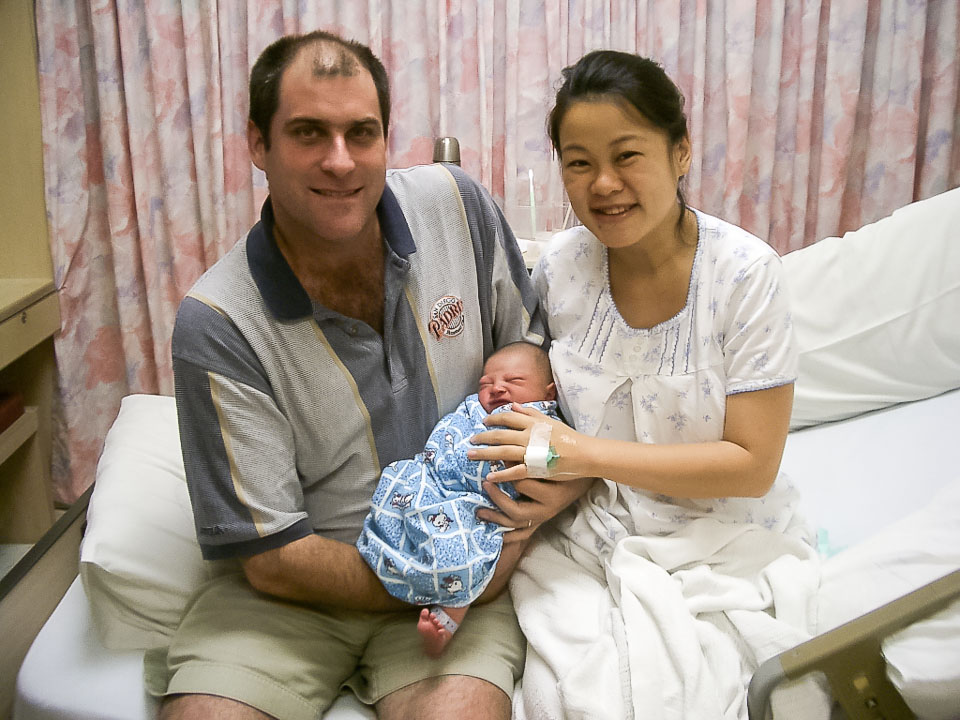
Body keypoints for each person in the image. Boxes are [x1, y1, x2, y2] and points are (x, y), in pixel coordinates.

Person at [144, 30, 589, 720]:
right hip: (299, 593)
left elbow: (547, 369)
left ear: (386, 137)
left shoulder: (456, 209)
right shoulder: (220, 323)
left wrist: (544, 504)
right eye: (308, 133)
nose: (340, 160)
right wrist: (435, 576)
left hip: (464, 569)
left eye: (361, 132)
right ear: (257, 144)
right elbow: (272, 559)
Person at [469, 51, 827, 718]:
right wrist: (558, 482)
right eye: (579, 163)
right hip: (586, 533)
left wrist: (582, 456)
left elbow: (752, 466)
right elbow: (541, 409)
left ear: (680, 151)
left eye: (627, 155)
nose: (604, 184)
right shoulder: (558, 271)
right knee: (569, 699)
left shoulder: (745, 276)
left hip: (724, 535)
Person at [357, 341, 559, 658]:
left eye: (514, 381)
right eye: (486, 383)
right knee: (397, 487)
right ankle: (386, 545)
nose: (497, 388)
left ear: (549, 393)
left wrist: (541, 458)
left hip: (479, 504)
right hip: (433, 480)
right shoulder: (472, 410)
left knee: (470, 556)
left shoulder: (544, 421)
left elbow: (555, 461)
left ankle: (447, 621)